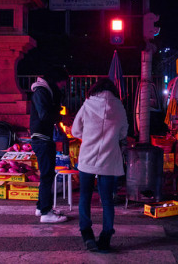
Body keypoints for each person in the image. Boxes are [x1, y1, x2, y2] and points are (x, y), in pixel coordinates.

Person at [71, 77, 129, 252]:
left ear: (94, 90)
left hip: (87, 158)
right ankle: (105, 237)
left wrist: (88, 136)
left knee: (85, 197)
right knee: (107, 200)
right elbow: (123, 132)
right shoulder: (119, 106)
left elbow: (75, 130)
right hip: (109, 159)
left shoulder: (88, 104)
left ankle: (87, 233)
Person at [30, 66, 70, 223]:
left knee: (47, 174)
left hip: (43, 137)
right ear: (55, 81)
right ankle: (46, 213)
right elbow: (44, 114)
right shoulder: (42, 92)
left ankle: (41, 208)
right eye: (62, 83)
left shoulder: (46, 92)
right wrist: (59, 114)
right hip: (41, 138)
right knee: (47, 175)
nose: (63, 87)